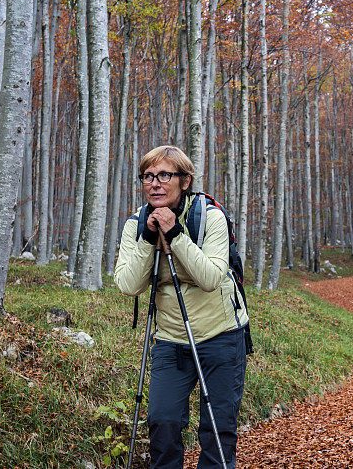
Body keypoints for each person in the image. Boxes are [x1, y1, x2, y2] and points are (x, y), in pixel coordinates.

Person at [115, 145, 249, 469]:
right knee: (162, 423)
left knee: (217, 431)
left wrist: (174, 233)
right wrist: (149, 239)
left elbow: (210, 277)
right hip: (171, 340)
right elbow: (127, 284)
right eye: (148, 176)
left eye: (165, 175)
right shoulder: (137, 224)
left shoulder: (211, 216)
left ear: (185, 181)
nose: (155, 183)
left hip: (221, 337)